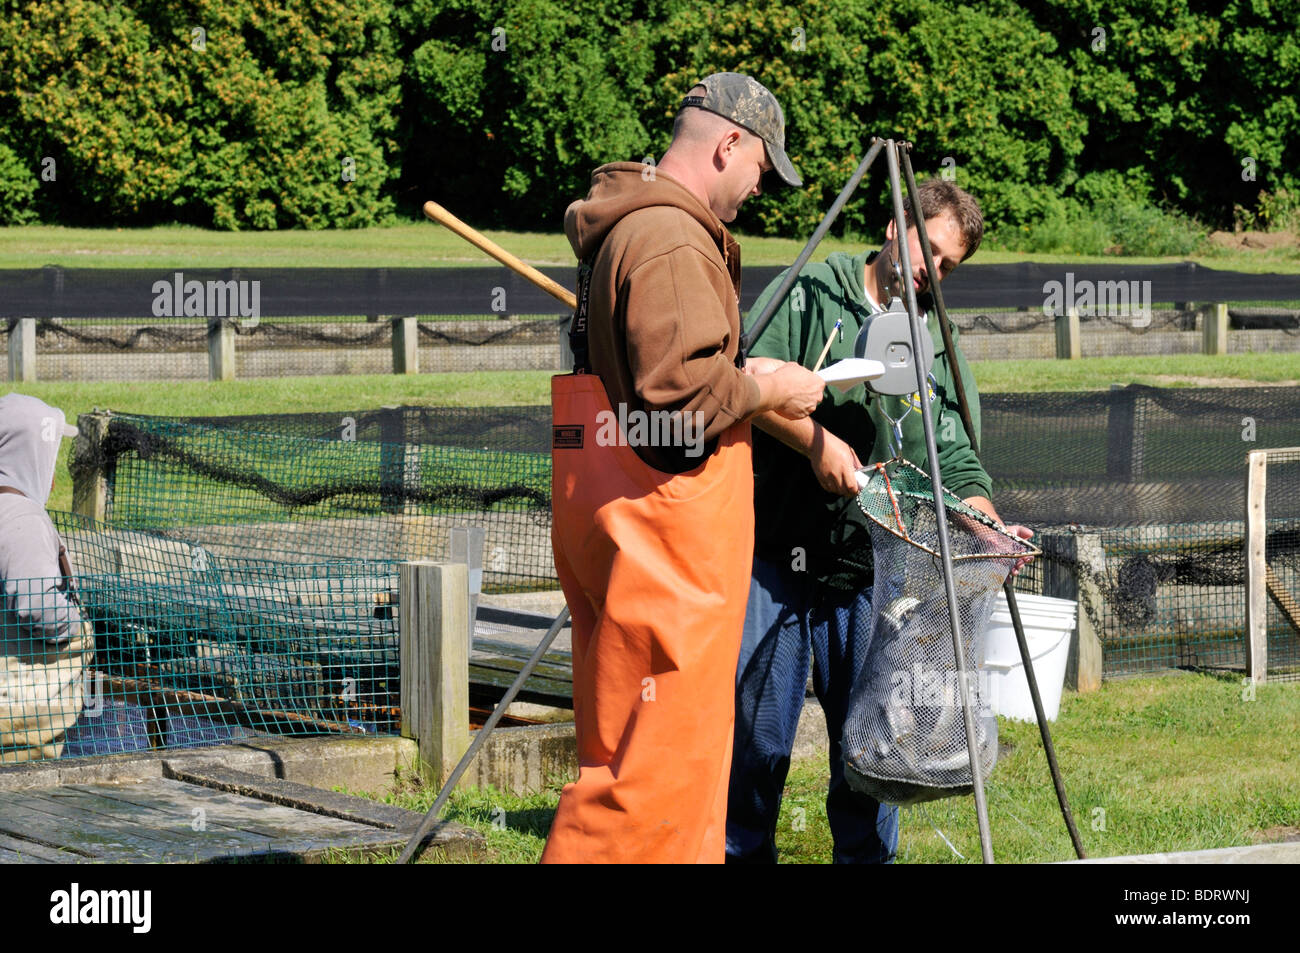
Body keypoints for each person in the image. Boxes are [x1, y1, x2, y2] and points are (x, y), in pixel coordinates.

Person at [544, 72, 826, 863]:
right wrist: (773, 384)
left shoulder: (629, 227)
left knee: (625, 745)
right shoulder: (671, 236)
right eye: (762, 167)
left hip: (618, 521)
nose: (760, 185)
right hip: (668, 540)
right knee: (652, 775)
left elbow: (661, 376)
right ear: (728, 142)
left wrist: (737, 368)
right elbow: (679, 394)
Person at [726, 178, 1033, 862]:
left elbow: (952, 450)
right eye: (932, 253)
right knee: (759, 738)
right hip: (776, 555)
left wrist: (986, 522)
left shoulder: (933, 334)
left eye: (950, 267)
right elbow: (740, 380)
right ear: (896, 228)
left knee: (871, 746)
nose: (935, 273)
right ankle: (741, 853)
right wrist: (815, 444)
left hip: (871, 569)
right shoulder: (810, 293)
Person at [0, 393, 95, 763]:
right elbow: (36, 605)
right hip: (16, 715)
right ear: (32, 455)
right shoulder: (21, 519)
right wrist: (77, 625)